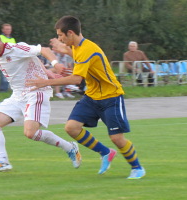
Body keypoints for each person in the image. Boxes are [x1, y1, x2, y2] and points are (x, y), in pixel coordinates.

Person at [26, 16, 145, 179]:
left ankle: (137, 168)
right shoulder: (76, 46)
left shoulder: (87, 49)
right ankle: (105, 152)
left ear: (70, 33)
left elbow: (76, 79)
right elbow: (74, 54)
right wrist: (62, 48)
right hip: (92, 97)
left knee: (117, 138)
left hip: (111, 97)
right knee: (71, 127)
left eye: (61, 35)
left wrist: (45, 82)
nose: (60, 38)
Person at [0, 28, 81, 172]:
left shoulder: (15, 49)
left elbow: (43, 50)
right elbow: (32, 58)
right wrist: (48, 73)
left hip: (36, 91)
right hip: (18, 95)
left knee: (30, 133)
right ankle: (2, 161)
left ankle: (70, 147)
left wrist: (55, 64)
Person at [0, 23, 17, 92]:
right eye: (6, 29)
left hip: (11, 58)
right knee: (4, 74)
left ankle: (12, 88)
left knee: (12, 74)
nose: (8, 30)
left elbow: (15, 48)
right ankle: (3, 89)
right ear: (3, 30)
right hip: (3, 58)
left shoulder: (12, 39)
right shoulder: (0, 37)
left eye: (9, 29)